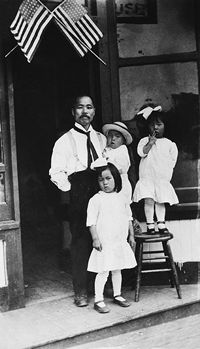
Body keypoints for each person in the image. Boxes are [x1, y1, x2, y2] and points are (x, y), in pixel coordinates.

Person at [49, 95, 106, 307]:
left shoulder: (101, 138)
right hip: (80, 195)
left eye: (89, 107)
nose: (85, 112)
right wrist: (72, 189)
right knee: (81, 242)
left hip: (101, 192)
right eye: (80, 108)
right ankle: (81, 290)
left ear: (94, 112)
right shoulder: (65, 141)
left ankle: (102, 286)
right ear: (73, 112)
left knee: (103, 237)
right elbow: (56, 172)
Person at [87, 162, 137, 313]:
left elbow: (129, 218)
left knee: (117, 269)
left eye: (108, 178)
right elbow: (91, 222)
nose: (105, 182)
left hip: (118, 241)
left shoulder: (121, 198)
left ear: (116, 178)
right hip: (105, 242)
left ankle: (117, 294)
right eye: (101, 180)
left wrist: (132, 236)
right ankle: (98, 299)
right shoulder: (96, 199)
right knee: (103, 271)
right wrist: (95, 238)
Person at [133, 106, 179, 234]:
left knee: (160, 200)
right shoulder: (144, 141)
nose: (155, 128)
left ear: (165, 126)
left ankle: (161, 223)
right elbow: (141, 153)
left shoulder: (169, 144)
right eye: (152, 125)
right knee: (149, 200)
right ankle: (150, 224)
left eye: (159, 124)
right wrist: (150, 143)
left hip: (160, 179)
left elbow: (172, 161)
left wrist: (165, 174)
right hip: (147, 178)